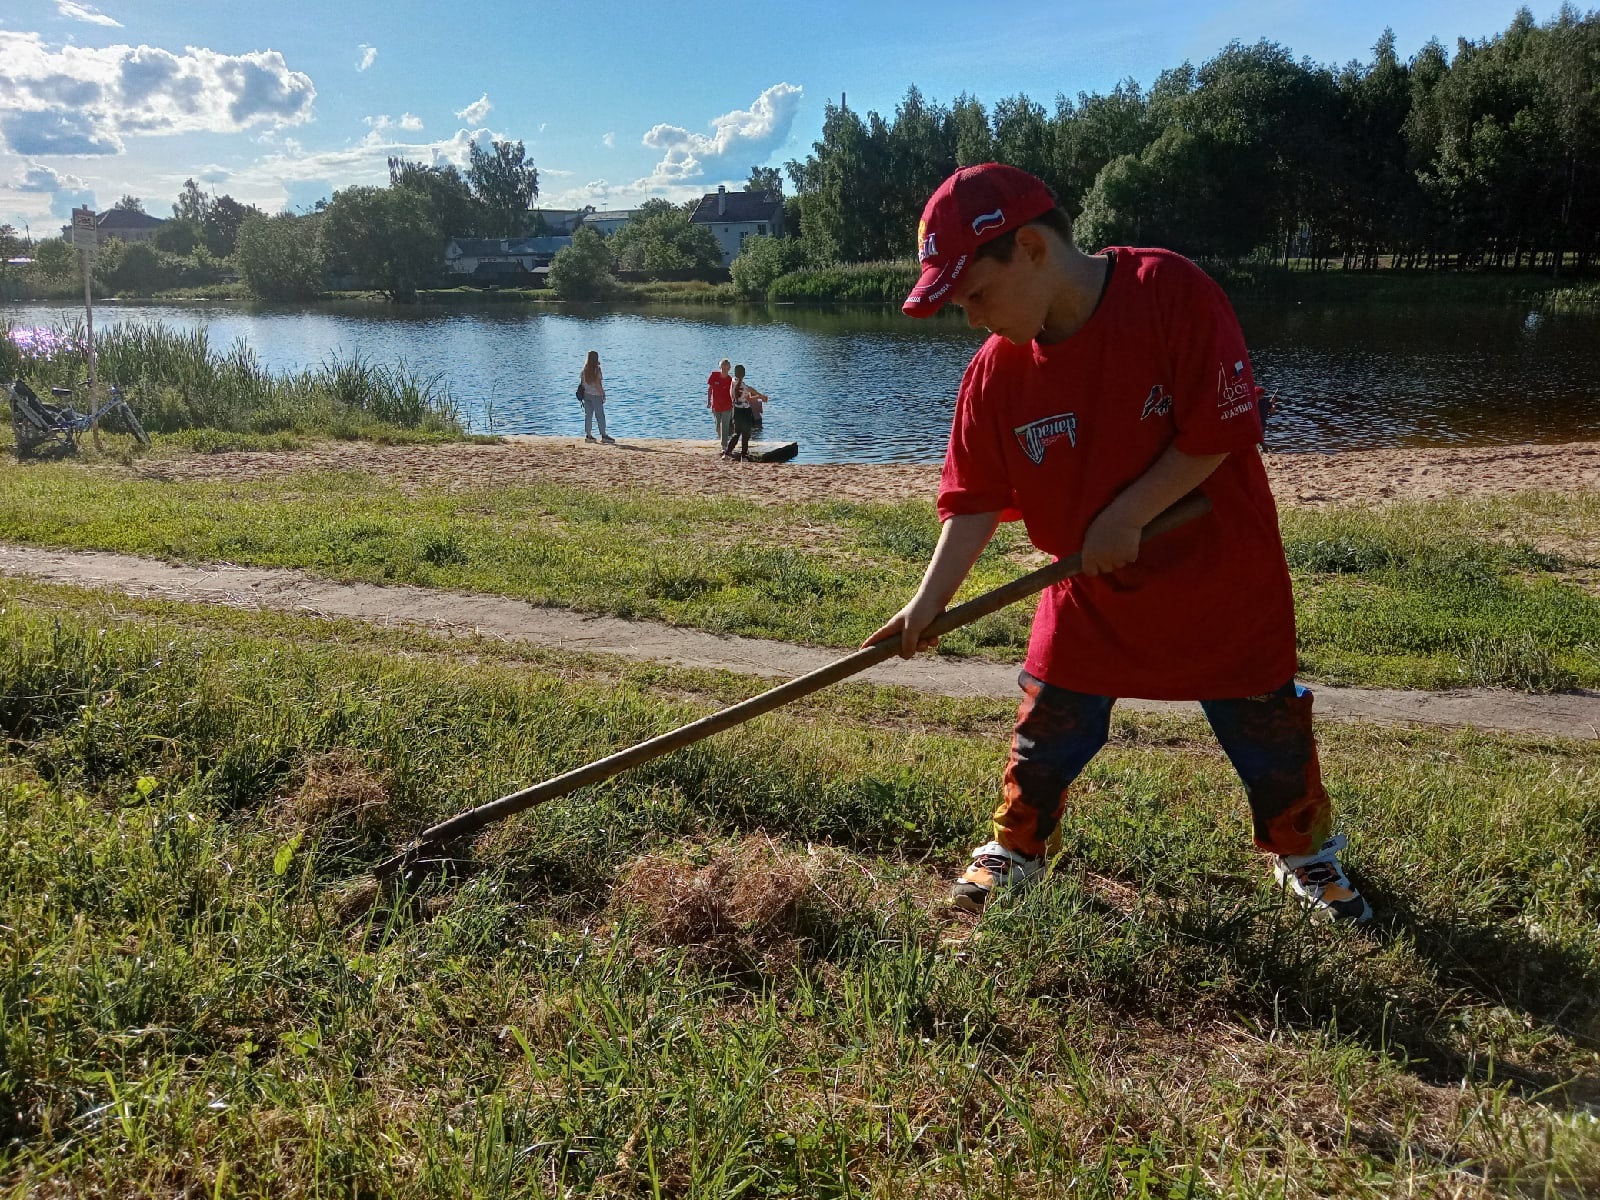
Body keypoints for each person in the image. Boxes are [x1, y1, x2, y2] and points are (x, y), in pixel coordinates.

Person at [868, 163, 1370, 923]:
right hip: (1091, 589)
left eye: (974, 295)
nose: (970, 319)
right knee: (1048, 726)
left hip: (1220, 575)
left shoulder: (1170, 292)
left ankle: (1304, 853)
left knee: (1267, 728)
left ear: (1031, 249)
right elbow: (970, 503)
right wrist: (924, 606)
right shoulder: (998, 371)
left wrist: (1128, 513)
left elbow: (1222, 427)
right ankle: (1018, 846)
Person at [722, 364, 769, 461]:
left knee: (737, 433)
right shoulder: (744, 387)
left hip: (736, 410)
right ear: (744, 375)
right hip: (745, 412)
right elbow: (750, 399)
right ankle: (743, 456)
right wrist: (761, 397)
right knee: (746, 433)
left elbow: (747, 390)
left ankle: (727, 453)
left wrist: (759, 396)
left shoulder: (733, 382)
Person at [579, 350, 614, 444]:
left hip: (586, 395)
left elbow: (582, 383)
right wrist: (603, 394)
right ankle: (603, 435)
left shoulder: (584, 370)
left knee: (588, 415)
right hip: (596, 395)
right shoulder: (596, 370)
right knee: (600, 416)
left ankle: (588, 435)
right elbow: (598, 384)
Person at [707, 358, 734, 451]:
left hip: (727, 406)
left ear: (729, 368)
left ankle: (724, 446)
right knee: (718, 426)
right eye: (723, 368)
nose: (724, 370)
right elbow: (710, 389)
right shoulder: (714, 376)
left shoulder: (730, 380)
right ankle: (723, 440)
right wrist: (708, 401)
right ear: (720, 367)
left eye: (726, 369)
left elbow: (733, 393)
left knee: (725, 426)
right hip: (716, 406)